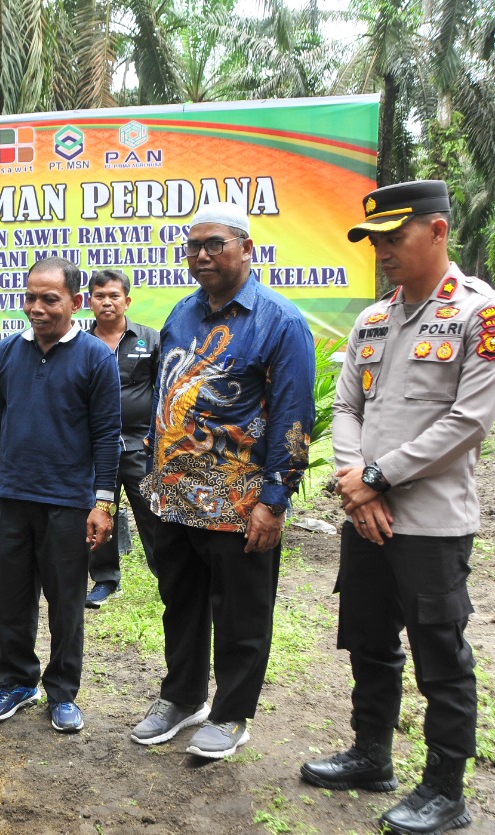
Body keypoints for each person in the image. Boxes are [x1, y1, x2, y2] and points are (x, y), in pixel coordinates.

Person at [299, 180, 495, 835]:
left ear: (438, 231)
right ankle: (371, 755)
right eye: (374, 240)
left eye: (394, 237)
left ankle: (445, 790)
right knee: (369, 639)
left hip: (432, 523)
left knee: (441, 651)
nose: (382, 250)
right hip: (368, 516)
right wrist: (357, 487)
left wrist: (377, 478)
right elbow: (349, 407)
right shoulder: (372, 319)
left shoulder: (479, 313)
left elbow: (470, 419)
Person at [131, 202, 315, 760]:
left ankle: (233, 713)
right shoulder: (181, 315)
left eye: (215, 244)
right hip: (174, 496)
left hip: (240, 503)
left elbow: (294, 420)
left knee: (240, 612)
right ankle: (182, 697)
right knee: (179, 602)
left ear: (246, 248)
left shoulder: (280, 322)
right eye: (193, 246)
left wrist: (274, 500)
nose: (202, 255)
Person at [0, 256, 120, 735]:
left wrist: (103, 502)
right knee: (13, 598)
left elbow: (107, 433)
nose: (36, 307)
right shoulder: (8, 352)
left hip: (68, 502)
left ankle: (62, 692)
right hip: (12, 496)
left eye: (48, 299)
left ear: (75, 303)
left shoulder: (96, 358)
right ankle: (15, 682)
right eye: (30, 296)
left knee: (66, 602)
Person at [83, 270, 161, 608]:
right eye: (100, 296)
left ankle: (168, 575)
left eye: (114, 295)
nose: (107, 302)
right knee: (100, 512)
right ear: (90, 302)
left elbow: (164, 391)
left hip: (139, 446)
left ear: (126, 300)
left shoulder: (150, 339)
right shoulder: (80, 343)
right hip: (96, 448)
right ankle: (104, 580)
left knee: (154, 515)